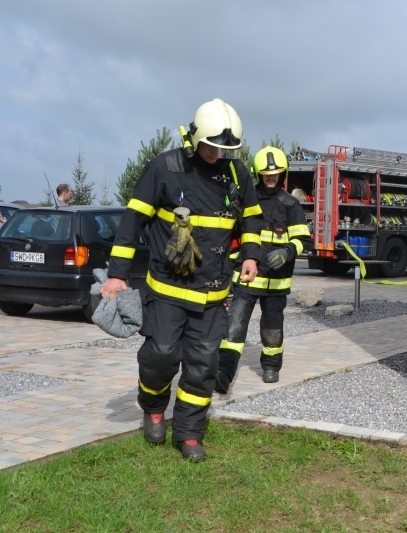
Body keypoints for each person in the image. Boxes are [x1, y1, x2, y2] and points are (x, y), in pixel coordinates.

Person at [100, 98, 263, 462]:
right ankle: (154, 407)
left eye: (225, 150)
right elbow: (131, 223)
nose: (217, 155)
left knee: (203, 365)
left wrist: (251, 253)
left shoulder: (237, 174)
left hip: (212, 295)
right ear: (194, 139)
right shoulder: (164, 168)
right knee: (161, 354)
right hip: (166, 292)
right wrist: (116, 276)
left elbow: (252, 218)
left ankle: (190, 433)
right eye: (212, 147)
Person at [216, 146, 311, 393]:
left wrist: (288, 251)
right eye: (266, 174)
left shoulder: (290, 205)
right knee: (233, 327)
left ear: (283, 173)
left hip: (276, 282)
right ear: (258, 174)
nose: (271, 177)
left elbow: (304, 239)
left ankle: (271, 367)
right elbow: (231, 229)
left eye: (276, 173)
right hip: (246, 279)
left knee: (272, 330)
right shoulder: (247, 199)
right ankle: (223, 374)